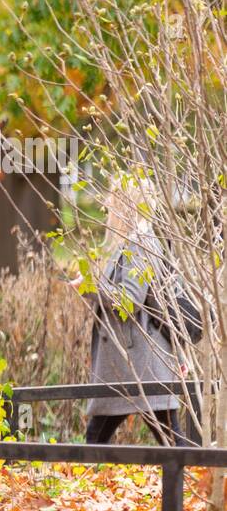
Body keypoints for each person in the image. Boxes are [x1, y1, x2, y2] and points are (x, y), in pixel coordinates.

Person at [77, 187, 190, 446]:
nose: (106, 206)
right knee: (172, 442)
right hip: (136, 363)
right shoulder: (132, 242)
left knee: (98, 438)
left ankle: (193, 485)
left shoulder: (140, 244)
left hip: (137, 365)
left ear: (125, 204)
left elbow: (130, 300)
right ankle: (190, 484)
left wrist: (89, 286)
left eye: (111, 200)